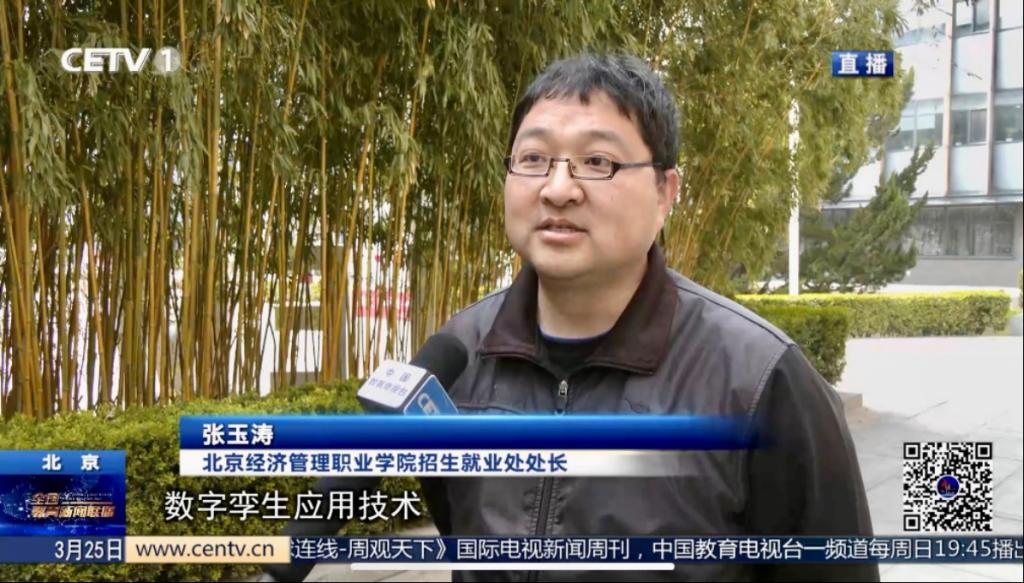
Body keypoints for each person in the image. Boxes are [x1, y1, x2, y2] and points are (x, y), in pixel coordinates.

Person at [265, 52, 877, 582]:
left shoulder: (759, 381)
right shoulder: (459, 355)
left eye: (597, 162)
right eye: (533, 158)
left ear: (666, 192)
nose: (557, 189)